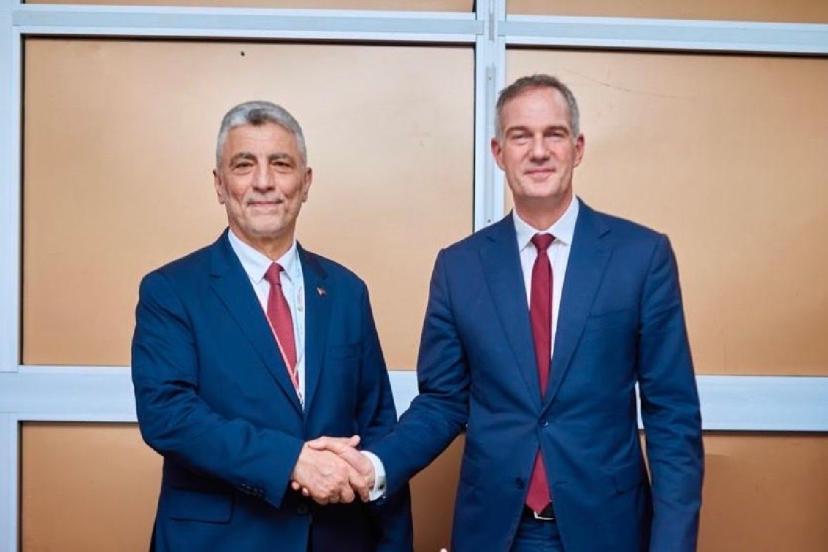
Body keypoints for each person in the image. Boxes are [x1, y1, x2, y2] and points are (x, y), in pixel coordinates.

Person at [310, 75, 704, 551]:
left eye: (553, 134)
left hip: (609, 528)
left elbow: (672, 415)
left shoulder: (641, 256)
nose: (538, 151)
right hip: (497, 531)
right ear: (498, 153)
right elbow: (443, 401)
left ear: (577, 148)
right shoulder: (459, 267)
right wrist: (375, 466)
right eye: (521, 136)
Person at [131, 101, 412, 552]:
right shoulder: (171, 290)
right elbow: (168, 415)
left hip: (338, 539)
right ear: (219, 184)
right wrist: (292, 462)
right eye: (244, 165)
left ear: (306, 182)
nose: (264, 182)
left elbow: (377, 423)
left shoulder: (347, 291)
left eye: (281, 164)